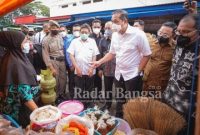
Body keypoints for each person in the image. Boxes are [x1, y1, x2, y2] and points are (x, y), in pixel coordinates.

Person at [92, 9, 151, 118]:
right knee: (120, 99)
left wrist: (138, 71)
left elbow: (147, 54)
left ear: (124, 20)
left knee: (133, 101)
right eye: (112, 21)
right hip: (119, 74)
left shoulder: (138, 34)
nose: (113, 25)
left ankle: (132, 120)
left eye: (116, 21)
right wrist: (99, 62)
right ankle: (119, 118)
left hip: (132, 75)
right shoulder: (115, 35)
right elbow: (112, 53)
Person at [163, 14, 199, 135]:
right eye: (178, 31)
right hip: (169, 100)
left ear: (197, 32)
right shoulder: (179, 44)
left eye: (186, 32)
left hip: (187, 111)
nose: (180, 35)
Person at [0, 31, 39, 127]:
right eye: (25, 40)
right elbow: (25, 96)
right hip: (19, 111)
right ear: (16, 43)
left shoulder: (12, 56)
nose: (28, 43)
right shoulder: (15, 63)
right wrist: (39, 113)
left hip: (17, 108)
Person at [68, 23, 99, 108]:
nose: (84, 34)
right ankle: (80, 106)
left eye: (86, 32)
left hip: (90, 71)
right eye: (82, 32)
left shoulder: (92, 41)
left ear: (89, 32)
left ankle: (89, 106)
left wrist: (92, 68)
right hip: (79, 71)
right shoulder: (74, 41)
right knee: (79, 89)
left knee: (89, 89)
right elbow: (71, 55)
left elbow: (94, 55)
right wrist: (77, 68)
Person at [143, 22, 177, 94]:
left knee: (158, 103)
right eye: (160, 32)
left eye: (165, 34)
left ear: (173, 35)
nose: (161, 36)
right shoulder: (151, 43)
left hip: (162, 83)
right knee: (145, 101)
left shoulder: (176, 48)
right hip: (147, 80)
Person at [42, 20, 67, 100]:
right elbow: (45, 55)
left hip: (62, 61)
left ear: (58, 28)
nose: (54, 29)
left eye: (56, 27)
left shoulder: (61, 36)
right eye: (52, 28)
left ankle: (62, 94)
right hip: (53, 62)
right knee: (55, 79)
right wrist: (51, 67)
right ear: (50, 29)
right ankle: (55, 97)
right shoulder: (46, 40)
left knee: (63, 78)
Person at [98, 21, 116, 109]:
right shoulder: (102, 40)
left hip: (118, 69)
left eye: (109, 28)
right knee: (108, 88)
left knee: (119, 89)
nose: (107, 30)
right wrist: (100, 69)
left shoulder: (118, 39)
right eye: (106, 28)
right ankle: (108, 104)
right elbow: (100, 55)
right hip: (107, 69)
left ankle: (121, 106)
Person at [62, 24, 81, 99]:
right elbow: (68, 53)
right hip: (73, 65)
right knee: (72, 80)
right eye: (75, 30)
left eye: (78, 30)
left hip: (82, 65)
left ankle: (80, 96)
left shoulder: (84, 39)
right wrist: (71, 64)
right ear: (72, 31)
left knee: (80, 81)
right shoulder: (70, 40)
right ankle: (72, 96)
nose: (76, 32)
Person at [90, 19, 103, 101]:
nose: (96, 28)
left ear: (101, 27)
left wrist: (101, 68)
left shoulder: (103, 38)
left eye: (98, 27)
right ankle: (91, 97)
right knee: (91, 81)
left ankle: (99, 96)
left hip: (100, 63)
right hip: (90, 63)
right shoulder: (89, 38)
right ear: (92, 27)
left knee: (99, 81)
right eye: (95, 27)